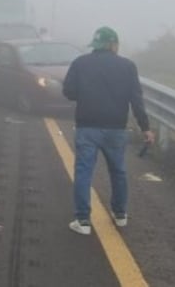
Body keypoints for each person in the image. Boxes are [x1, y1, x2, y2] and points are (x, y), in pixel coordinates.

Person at [62, 26, 155, 235]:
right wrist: (146, 127)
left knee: (84, 172)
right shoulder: (128, 66)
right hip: (116, 128)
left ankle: (83, 221)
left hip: (87, 126)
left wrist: (86, 95)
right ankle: (120, 214)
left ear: (95, 45)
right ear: (114, 45)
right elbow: (136, 100)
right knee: (118, 171)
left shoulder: (80, 63)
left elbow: (68, 91)